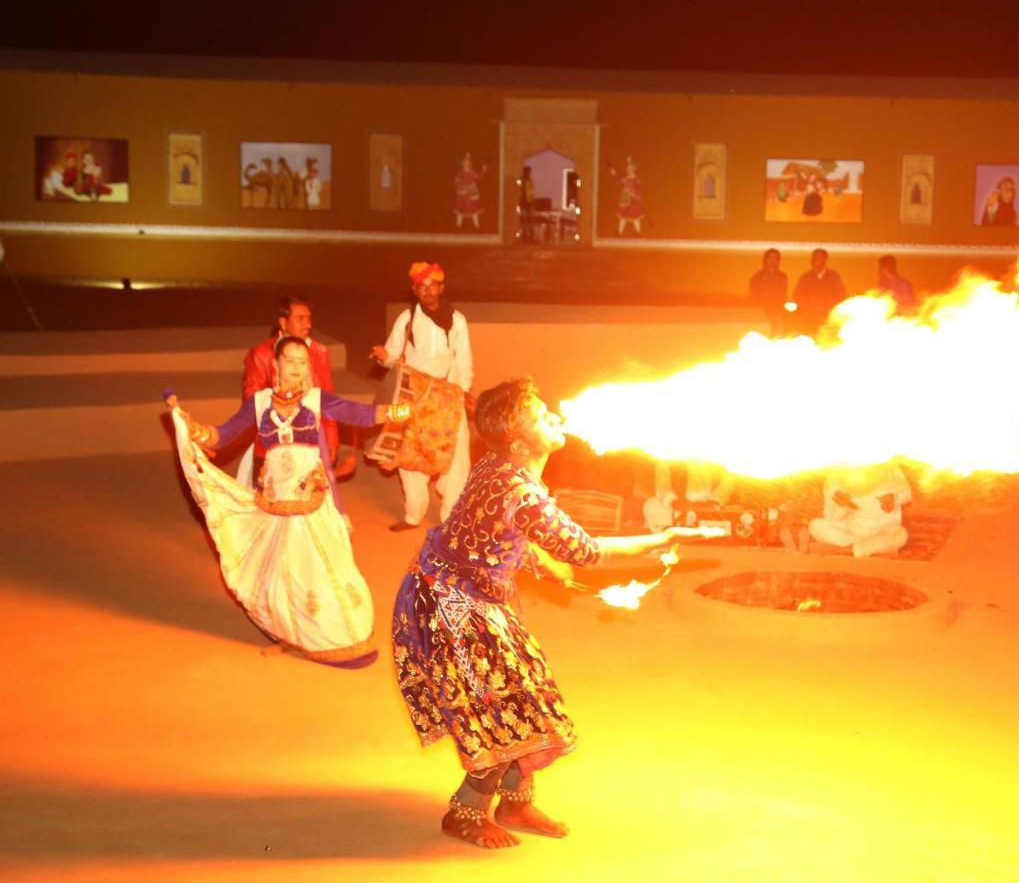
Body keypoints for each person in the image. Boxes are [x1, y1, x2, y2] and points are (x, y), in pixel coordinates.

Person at [391, 378, 721, 849]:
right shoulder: (520, 490)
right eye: (541, 417)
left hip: (465, 594)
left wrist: (540, 563)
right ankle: (464, 812)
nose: (555, 417)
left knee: (529, 694)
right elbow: (584, 549)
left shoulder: (501, 466)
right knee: (499, 708)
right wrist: (663, 538)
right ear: (522, 443)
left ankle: (515, 801)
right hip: (448, 606)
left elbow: (490, 527)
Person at [166, 336, 415, 664]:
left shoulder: (316, 399)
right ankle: (289, 631)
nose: (296, 367)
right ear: (276, 364)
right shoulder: (258, 403)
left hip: (310, 500)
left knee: (319, 566)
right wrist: (191, 427)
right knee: (281, 570)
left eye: (302, 362)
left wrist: (402, 410)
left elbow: (361, 414)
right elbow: (223, 434)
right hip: (274, 501)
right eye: (290, 360)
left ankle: (336, 637)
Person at [370, 261, 474, 531]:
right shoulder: (407, 318)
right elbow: (393, 356)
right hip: (413, 395)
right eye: (422, 287)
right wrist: (384, 357)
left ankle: (452, 516)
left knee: (456, 454)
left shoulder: (457, 320)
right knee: (410, 453)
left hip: (447, 394)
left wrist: (461, 391)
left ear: (442, 287)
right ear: (414, 290)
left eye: (433, 286)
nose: (428, 291)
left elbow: (464, 360)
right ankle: (413, 515)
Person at [242, 297, 342, 477]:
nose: (308, 324)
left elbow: (327, 399)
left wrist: (332, 439)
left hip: (311, 441)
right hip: (274, 441)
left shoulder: (319, 352)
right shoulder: (262, 354)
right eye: (300, 318)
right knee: (270, 499)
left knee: (309, 496)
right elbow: (252, 400)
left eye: (309, 318)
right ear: (283, 322)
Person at [808, 464, 912, 557]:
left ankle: (847, 550)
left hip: (882, 530)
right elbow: (830, 516)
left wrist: (895, 498)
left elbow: (907, 493)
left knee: (900, 535)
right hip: (850, 532)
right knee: (815, 526)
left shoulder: (889, 468)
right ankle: (865, 548)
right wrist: (843, 507)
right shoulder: (835, 477)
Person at [792, 248, 847, 337]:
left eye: (818, 257)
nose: (815, 260)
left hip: (828, 319)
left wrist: (831, 312)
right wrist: (807, 312)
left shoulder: (834, 277)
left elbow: (841, 296)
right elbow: (798, 296)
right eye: (814, 257)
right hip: (809, 320)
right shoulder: (805, 277)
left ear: (825, 259)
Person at [747, 248, 792, 337]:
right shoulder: (757, 278)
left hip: (777, 315)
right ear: (765, 259)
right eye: (770, 258)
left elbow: (783, 296)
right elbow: (752, 299)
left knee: (777, 339)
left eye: (775, 258)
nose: (772, 261)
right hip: (760, 315)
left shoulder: (783, 277)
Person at [454, 152, 486, 228]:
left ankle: (477, 226)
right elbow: (456, 182)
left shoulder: (472, 172)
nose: (467, 163)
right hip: (462, 194)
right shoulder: (459, 173)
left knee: (474, 210)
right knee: (460, 210)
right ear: (462, 163)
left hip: (472, 193)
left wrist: (484, 170)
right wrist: (461, 188)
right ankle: (458, 226)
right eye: (465, 161)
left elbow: (479, 177)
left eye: (468, 161)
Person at [612, 157, 644, 235]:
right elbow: (618, 181)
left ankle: (638, 232)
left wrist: (634, 195)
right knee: (623, 215)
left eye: (630, 167)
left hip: (634, 199)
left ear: (633, 169)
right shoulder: (625, 179)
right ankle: (620, 232)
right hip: (625, 199)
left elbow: (639, 189)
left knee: (635, 215)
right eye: (628, 167)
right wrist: (614, 174)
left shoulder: (637, 179)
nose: (628, 169)